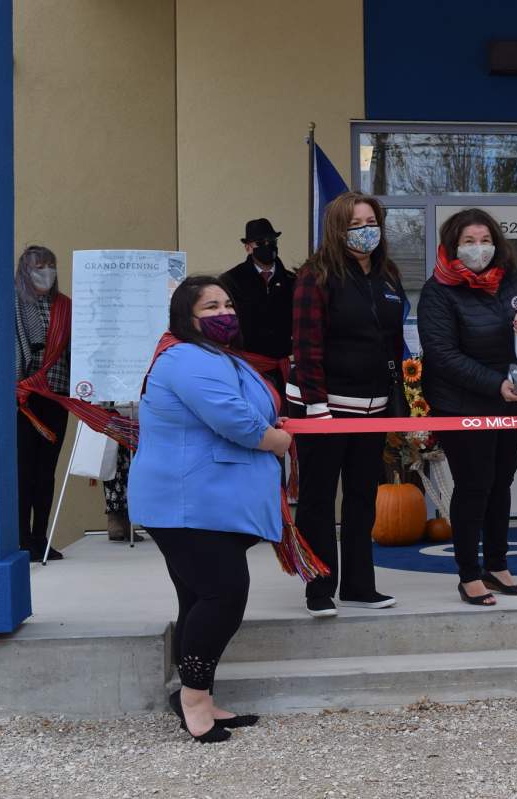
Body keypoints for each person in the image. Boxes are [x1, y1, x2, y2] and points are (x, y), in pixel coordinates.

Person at [128, 275, 291, 742]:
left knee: (199, 598)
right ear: (187, 318)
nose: (224, 313)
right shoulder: (184, 358)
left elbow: (248, 407)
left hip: (206, 500)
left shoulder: (216, 357)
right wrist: (274, 439)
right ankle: (193, 698)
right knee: (224, 595)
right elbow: (233, 419)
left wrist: (269, 423)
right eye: (210, 307)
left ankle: (200, 695)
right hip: (185, 501)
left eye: (228, 304)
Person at [418, 208, 517, 606]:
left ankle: (497, 564)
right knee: (474, 486)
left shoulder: (511, 276)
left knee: (501, 484)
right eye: (468, 242)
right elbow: (442, 354)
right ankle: (468, 574)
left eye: (484, 240)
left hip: (509, 399)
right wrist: (493, 384)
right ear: (452, 246)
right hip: (461, 404)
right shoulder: (438, 291)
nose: (478, 249)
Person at [289, 192, 406, 618]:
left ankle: (359, 585)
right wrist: (318, 407)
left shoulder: (387, 275)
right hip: (324, 410)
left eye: (370, 221)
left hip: (372, 410)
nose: (365, 230)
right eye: (355, 223)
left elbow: (393, 341)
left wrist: (402, 401)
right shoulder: (315, 275)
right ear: (339, 229)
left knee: (362, 497)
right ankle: (319, 587)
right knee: (319, 499)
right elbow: (306, 345)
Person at [14, 245, 69, 561]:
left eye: (51, 265)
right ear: (25, 269)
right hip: (23, 398)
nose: (46, 272)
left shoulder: (65, 307)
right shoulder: (13, 304)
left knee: (46, 472)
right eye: (39, 266)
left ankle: (41, 537)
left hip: (55, 397)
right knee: (23, 470)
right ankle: (22, 538)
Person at [220, 218, 295, 396]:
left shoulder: (292, 281)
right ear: (248, 247)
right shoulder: (231, 280)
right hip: (248, 367)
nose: (267, 246)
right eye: (260, 243)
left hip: (282, 368)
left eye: (272, 242)